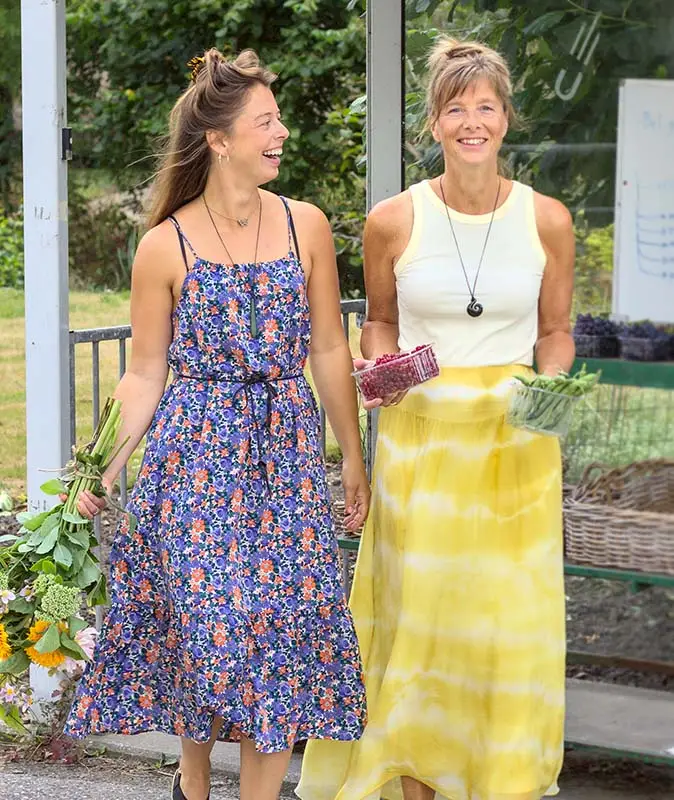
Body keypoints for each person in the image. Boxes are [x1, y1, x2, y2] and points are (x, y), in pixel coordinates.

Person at [63, 48, 370, 800]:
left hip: (289, 456)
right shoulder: (164, 246)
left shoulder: (308, 227)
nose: (283, 132)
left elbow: (330, 347)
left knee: (282, 626)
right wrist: (99, 470)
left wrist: (353, 457)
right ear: (220, 140)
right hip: (195, 457)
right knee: (210, 623)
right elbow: (143, 373)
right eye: (266, 121)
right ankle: (193, 780)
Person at [296, 37, 574, 800]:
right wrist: (377, 366)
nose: (472, 121)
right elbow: (378, 322)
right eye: (457, 108)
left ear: (506, 120)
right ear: (437, 123)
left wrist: (552, 386)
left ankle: (500, 774)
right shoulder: (392, 220)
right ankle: (414, 777)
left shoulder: (548, 220)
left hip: (513, 448)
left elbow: (555, 332)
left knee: (502, 619)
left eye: (486, 106)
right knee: (418, 617)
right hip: (421, 444)